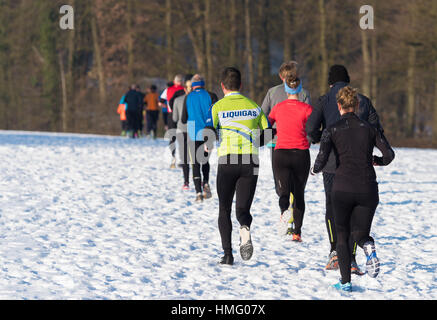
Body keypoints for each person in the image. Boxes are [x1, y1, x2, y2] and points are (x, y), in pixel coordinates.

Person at [311, 86, 395, 291]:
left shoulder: (332, 129)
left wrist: (315, 169)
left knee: (341, 234)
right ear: (357, 106)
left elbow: (322, 157)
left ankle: (346, 282)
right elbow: (389, 155)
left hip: (342, 188)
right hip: (367, 188)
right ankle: (368, 245)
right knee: (359, 233)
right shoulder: (370, 128)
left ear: (339, 106)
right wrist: (377, 160)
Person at [305, 64, 384, 273]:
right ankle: (352, 258)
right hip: (360, 165)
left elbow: (311, 128)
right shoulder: (363, 101)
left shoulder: (324, 99)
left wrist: (316, 138)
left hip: (331, 164)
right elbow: (377, 130)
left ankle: (334, 253)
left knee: (333, 208)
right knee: (355, 212)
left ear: (330, 82)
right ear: (348, 81)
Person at [206, 67, 271, 265]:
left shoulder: (217, 107)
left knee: (224, 209)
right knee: (243, 209)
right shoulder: (254, 106)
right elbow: (268, 134)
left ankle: (227, 254)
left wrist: (208, 146)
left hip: (228, 160)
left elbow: (209, 131)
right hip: (249, 162)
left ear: (222, 86)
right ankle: (244, 226)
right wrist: (253, 142)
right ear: (241, 85)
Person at [260, 61, 311, 219]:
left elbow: (263, 115)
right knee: (298, 184)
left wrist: (265, 135)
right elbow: (310, 122)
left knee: (280, 182)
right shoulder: (304, 93)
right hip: (298, 143)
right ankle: (293, 214)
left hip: (277, 142)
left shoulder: (272, 92)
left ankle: (285, 210)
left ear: (280, 76)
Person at [267, 71, 313, 242]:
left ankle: (284, 211)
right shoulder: (307, 109)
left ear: (286, 90)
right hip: (301, 154)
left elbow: (268, 124)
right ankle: (297, 233)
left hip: (281, 154)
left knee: (284, 191)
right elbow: (314, 128)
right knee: (299, 193)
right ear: (300, 90)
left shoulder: (278, 108)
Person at [181, 74, 218, 202]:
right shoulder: (211, 95)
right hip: (208, 131)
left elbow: (183, 119)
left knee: (195, 162)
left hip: (193, 130)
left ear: (192, 85)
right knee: (205, 160)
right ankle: (206, 182)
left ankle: (198, 192)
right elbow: (216, 114)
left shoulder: (188, 97)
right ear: (203, 84)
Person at [172, 76, 192, 190]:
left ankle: (186, 182)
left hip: (181, 129)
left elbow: (174, 118)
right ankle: (198, 179)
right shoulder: (195, 100)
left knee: (184, 157)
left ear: (184, 88)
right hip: (194, 129)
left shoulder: (177, 100)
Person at [164, 75, 185, 168]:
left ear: (174, 81)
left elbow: (161, 100)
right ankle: (183, 158)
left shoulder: (168, 89)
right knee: (183, 137)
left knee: (172, 137)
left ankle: (173, 157)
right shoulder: (184, 89)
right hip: (182, 115)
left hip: (171, 114)